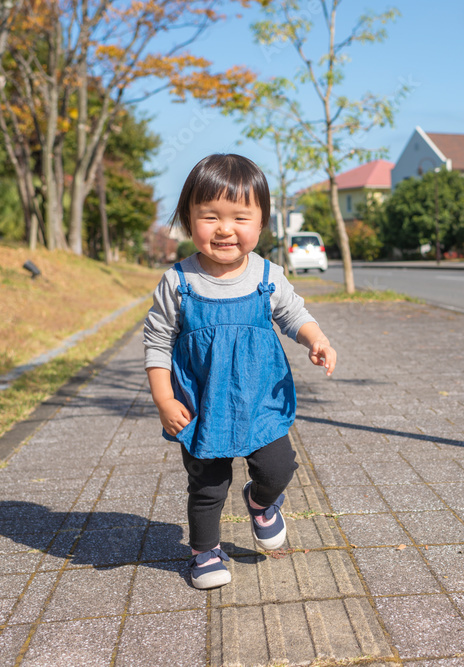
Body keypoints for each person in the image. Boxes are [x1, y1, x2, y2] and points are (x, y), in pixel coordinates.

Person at [143, 154, 336, 589]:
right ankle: (204, 552)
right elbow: (156, 342)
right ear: (188, 220)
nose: (224, 229)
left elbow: (293, 314)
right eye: (209, 216)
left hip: (260, 400)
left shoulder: (268, 276)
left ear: (262, 221)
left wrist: (316, 339)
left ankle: (262, 502)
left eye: (239, 217)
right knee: (208, 485)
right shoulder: (179, 282)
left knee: (277, 468)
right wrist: (163, 398)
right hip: (201, 405)